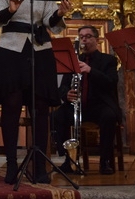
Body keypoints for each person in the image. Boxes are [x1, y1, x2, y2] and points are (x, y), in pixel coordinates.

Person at [0, 0, 70, 184]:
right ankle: (12, 164)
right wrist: (11, 9)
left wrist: (60, 13)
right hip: (11, 49)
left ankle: (39, 165)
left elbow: (50, 21)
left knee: (40, 107)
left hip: (39, 49)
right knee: (12, 104)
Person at [50, 25, 121, 175]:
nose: (84, 40)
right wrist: (66, 94)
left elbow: (111, 82)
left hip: (99, 105)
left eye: (88, 37)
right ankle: (68, 159)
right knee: (57, 116)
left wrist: (91, 70)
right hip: (78, 105)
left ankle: (105, 161)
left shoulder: (108, 60)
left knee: (109, 117)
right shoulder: (73, 60)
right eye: (81, 37)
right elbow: (62, 87)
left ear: (97, 40)